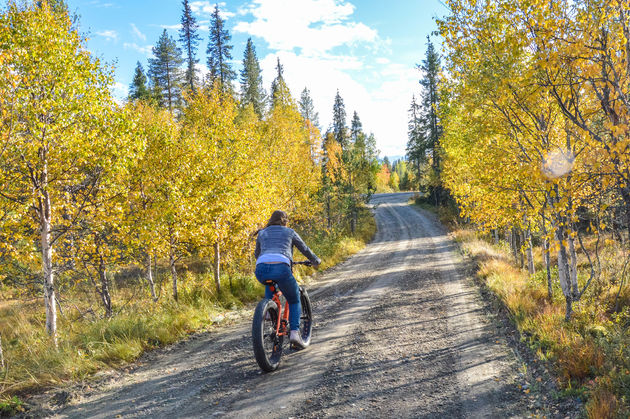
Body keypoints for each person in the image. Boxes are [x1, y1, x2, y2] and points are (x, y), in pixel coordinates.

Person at [254, 210, 321, 349]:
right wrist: (315, 260)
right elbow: (305, 249)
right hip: (282, 268)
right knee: (294, 298)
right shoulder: (289, 232)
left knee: (270, 281)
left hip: (261, 268)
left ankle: (268, 312)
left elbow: (257, 254)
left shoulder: (262, 233)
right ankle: (295, 333)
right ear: (284, 221)